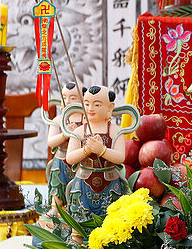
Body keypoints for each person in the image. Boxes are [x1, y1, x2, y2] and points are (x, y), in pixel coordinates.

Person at [64, 85, 128, 219]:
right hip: (83, 180)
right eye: (86, 104)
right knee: (80, 212)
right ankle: (77, 235)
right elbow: (70, 158)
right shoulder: (79, 131)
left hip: (110, 181)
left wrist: (102, 150)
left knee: (111, 215)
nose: (90, 109)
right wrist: (86, 150)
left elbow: (120, 157)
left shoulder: (115, 131)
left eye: (97, 105)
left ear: (110, 108)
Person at [37, 82, 84, 235]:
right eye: (65, 97)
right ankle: (55, 208)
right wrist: (65, 134)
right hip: (61, 161)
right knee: (58, 184)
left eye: (73, 97)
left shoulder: (86, 120)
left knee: (79, 188)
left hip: (79, 162)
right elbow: (51, 142)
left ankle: (75, 210)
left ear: (83, 99)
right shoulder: (59, 120)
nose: (68, 101)